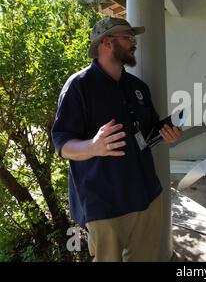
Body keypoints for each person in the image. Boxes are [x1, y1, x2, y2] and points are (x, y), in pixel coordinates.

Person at [51, 17, 182, 262]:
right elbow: (62, 143)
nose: (134, 43)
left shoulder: (138, 87)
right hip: (104, 205)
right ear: (107, 42)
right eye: (128, 37)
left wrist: (167, 134)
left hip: (147, 196)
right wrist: (92, 146)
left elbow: (149, 131)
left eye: (134, 38)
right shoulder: (78, 87)